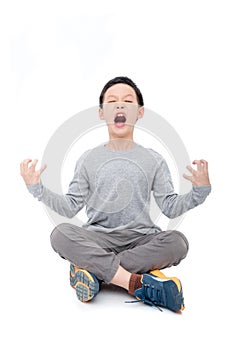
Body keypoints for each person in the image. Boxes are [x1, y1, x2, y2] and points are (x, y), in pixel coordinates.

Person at [20, 77, 211, 312]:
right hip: (98, 240)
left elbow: (170, 207)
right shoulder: (87, 158)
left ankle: (94, 272)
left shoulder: (154, 159)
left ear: (139, 112)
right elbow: (70, 206)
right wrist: (36, 188)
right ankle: (132, 281)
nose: (120, 106)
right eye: (112, 101)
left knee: (178, 242)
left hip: (141, 239)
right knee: (60, 234)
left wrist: (200, 191)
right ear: (102, 113)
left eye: (128, 101)